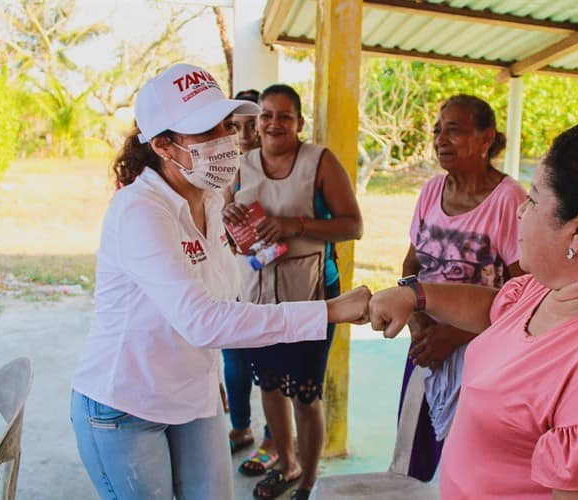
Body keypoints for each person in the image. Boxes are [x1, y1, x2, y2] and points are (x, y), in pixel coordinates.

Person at [70, 63, 369, 500]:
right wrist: (329, 310)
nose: (226, 141)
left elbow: (220, 291)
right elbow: (203, 320)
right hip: (125, 406)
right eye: (205, 131)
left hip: (192, 395)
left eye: (225, 125)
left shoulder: (211, 201)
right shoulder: (140, 211)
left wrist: (210, 375)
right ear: (163, 145)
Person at [369, 120, 578, 499]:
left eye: (534, 198)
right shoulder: (559, 287)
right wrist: (417, 295)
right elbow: (498, 310)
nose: (520, 211)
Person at [222, 83, 363, 500]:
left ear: (300, 123)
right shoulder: (242, 164)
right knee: (269, 386)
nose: (274, 123)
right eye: (267, 115)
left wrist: (295, 224)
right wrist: (230, 220)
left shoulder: (319, 161)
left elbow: (352, 225)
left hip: (311, 296)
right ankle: (286, 463)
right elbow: (229, 235)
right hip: (259, 299)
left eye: (285, 116)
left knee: (305, 393)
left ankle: (309, 478)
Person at [398, 94, 525, 480]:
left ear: (486, 138)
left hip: (479, 353)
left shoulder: (509, 200)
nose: (441, 140)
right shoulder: (431, 192)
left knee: (465, 463)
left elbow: (522, 295)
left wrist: (452, 336)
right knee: (412, 456)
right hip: (424, 345)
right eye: (438, 131)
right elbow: (410, 265)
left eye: (454, 130)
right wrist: (417, 323)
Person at [219, 88, 280, 469]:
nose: (242, 134)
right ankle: (240, 427)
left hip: (275, 281)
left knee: (272, 365)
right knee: (235, 361)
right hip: (233, 280)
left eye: (249, 125)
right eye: (233, 126)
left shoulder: (277, 168)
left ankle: (274, 441)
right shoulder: (223, 170)